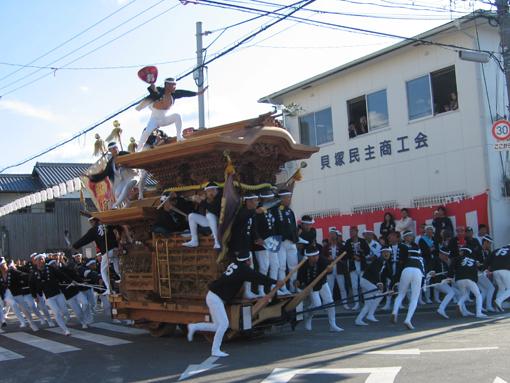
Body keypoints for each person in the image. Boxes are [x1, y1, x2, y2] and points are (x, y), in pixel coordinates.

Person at [187, 250, 283, 357]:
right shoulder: (243, 269)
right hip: (216, 298)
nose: (251, 261)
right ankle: (215, 350)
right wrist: (275, 282)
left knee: (217, 326)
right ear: (247, 261)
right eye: (250, 259)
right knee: (224, 324)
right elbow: (258, 277)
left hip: (212, 295)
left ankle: (194, 327)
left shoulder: (235, 264)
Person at [138, 78, 207, 147]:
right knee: (146, 132)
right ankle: (139, 149)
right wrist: (152, 86)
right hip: (155, 119)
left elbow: (184, 93)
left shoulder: (174, 94)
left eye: (175, 85)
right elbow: (153, 91)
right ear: (167, 85)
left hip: (163, 119)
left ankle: (179, 137)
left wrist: (198, 93)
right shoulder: (160, 90)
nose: (175, 87)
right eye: (173, 85)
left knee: (177, 116)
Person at [296, 246, 343, 332]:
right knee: (317, 305)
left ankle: (333, 325)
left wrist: (330, 269)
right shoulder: (304, 264)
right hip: (312, 286)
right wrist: (297, 282)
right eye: (313, 256)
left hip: (322, 283)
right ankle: (308, 316)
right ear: (308, 257)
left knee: (330, 302)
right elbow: (299, 279)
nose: (316, 258)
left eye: (317, 255)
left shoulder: (322, 259)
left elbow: (330, 267)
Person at [72, 217, 120, 295]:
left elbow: (85, 239)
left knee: (103, 271)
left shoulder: (93, 230)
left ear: (94, 221)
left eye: (91, 222)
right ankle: (121, 278)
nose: (91, 224)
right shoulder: (107, 225)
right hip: (115, 249)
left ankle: (109, 289)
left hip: (107, 251)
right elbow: (117, 226)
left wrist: (75, 246)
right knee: (116, 266)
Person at [228, 193, 260, 299]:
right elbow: (240, 220)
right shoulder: (241, 212)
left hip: (247, 245)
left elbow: (253, 229)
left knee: (250, 269)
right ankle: (243, 292)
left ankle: (248, 291)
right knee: (243, 270)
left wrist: (257, 238)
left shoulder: (252, 213)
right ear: (249, 201)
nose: (257, 202)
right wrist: (237, 248)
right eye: (255, 200)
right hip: (239, 246)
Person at [30, 254, 71, 336]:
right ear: (36, 262)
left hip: (58, 293)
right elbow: (32, 285)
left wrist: (71, 281)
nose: (41, 261)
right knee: (56, 312)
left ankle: (65, 320)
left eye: (42, 259)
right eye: (39, 260)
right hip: (48, 296)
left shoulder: (50, 268)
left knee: (65, 311)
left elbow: (61, 275)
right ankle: (65, 330)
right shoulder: (34, 273)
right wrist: (35, 296)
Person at [88, 142, 137, 209]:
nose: (115, 150)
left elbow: (134, 158)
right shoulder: (111, 163)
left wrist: (125, 163)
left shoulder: (124, 154)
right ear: (110, 151)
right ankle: (128, 203)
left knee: (126, 187)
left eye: (116, 148)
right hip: (124, 180)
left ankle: (115, 205)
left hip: (133, 176)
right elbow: (104, 174)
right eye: (113, 149)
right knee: (117, 193)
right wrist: (93, 177)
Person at [355, 247, 393, 326]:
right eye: (385, 252)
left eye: (388, 252)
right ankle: (370, 314)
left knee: (369, 303)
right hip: (366, 281)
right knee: (380, 294)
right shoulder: (379, 261)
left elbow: (389, 275)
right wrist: (379, 283)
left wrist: (394, 284)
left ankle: (361, 318)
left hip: (368, 282)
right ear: (381, 253)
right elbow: (375, 272)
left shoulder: (385, 262)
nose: (387, 254)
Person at [272, 189, 299, 294]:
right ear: (282, 198)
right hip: (281, 242)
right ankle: (282, 287)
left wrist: (295, 239)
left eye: (289, 197)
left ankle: (293, 286)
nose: (289, 200)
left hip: (291, 242)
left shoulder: (289, 210)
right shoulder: (275, 210)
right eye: (287, 197)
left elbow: (293, 226)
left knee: (293, 265)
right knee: (281, 266)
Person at [253, 188, 278, 296]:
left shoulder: (271, 208)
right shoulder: (257, 210)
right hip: (261, 241)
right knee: (264, 266)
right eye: (269, 197)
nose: (271, 199)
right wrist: (257, 238)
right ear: (263, 198)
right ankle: (260, 289)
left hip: (272, 239)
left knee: (275, 264)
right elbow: (253, 226)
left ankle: (273, 288)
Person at [392, 246, 424, 330]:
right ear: (418, 253)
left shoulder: (406, 260)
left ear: (409, 253)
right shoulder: (421, 260)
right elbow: (424, 272)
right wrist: (423, 285)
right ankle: (408, 319)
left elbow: (398, 272)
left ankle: (395, 311)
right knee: (414, 298)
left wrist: (393, 284)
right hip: (418, 272)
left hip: (406, 270)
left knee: (401, 294)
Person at [449, 247, 487, 318]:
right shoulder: (473, 260)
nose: (459, 252)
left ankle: (460, 305)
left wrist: (449, 276)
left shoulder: (456, 258)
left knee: (465, 294)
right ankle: (479, 313)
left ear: (464, 252)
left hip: (459, 279)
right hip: (469, 279)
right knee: (478, 295)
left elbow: (451, 267)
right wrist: (475, 280)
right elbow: (475, 271)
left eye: (461, 251)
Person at [183, 182, 222, 249]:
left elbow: (214, 210)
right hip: (210, 222)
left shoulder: (219, 197)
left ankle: (217, 241)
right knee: (191, 216)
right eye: (207, 191)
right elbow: (203, 211)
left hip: (219, 221)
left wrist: (201, 201)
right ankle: (194, 240)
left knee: (210, 215)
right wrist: (199, 201)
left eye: (209, 191)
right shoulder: (209, 200)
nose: (208, 193)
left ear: (215, 190)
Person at [344, 226, 370, 311]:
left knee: (363, 285)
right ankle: (356, 303)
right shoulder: (348, 242)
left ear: (357, 231)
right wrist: (353, 256)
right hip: (352, 266)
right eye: (350, 231)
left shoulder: (362, 241)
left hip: (362, 265)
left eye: (352, 231)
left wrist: (361, 256)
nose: (351, 233)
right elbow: (345, 253)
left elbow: (367, 252)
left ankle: (366, 303)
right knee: (354, 286)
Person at [323, 228, 349, 310]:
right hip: (330, 269)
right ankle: (328, 305)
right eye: (331, 234)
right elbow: (322, 257)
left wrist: (340, 259)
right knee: (329, 288)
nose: (332, 236)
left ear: (336, 236)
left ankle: (345, 303)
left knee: (342, 287)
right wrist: (328, 258)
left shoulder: (341, 246)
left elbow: (346, 256)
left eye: (334, 234)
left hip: (339, 269)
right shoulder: (326, 246)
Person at [430, 247, 456, 319]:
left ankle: (462, 309)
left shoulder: (445, 262)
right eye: (445, 255)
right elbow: (430, 268)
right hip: (437, 282)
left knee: (456, 291)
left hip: (442, 282)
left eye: (447, 255)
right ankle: (441, 309)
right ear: (440, 254)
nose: (446, 257)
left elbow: (448, 273)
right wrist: (432, 272)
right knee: (451, 292)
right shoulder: (435, 259)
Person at [487, 242, 510, 311]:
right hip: (505, 270)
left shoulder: (497, 250)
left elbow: (488, 260)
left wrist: (488, 270)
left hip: (495, 271)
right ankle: (499, 301)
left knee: (501, 288)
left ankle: (497, 308)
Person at [476, 235, 496, 312]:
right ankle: (488, 306)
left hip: (483, 273)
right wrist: (477, 263)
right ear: (485, 242)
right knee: (491, 288)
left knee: (484, 290)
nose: (490, 245)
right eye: (489, 243)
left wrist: (488, 269)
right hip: (478, 273)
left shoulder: (488, 252)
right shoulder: (477, 250)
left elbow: (489, 263)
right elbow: (475, 261)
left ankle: (480, 306)